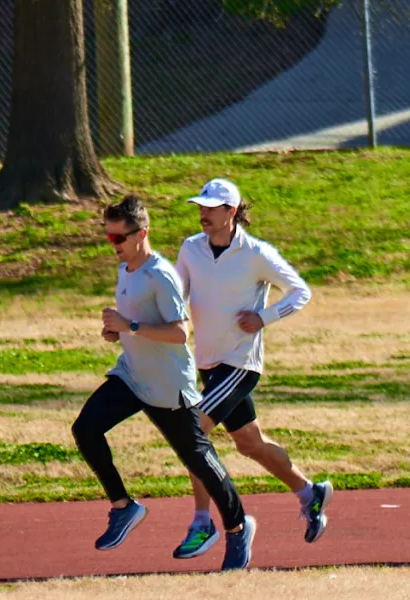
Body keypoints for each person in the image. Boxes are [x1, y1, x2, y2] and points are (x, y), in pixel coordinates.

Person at [71, 195, 255, 571]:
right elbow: (135, 323)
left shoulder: (160, 275)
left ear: (142, 235)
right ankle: (124, 507)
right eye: (108, 238)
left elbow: (179, 332)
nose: (113, 246)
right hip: (133, 376)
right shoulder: (127, 268)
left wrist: (131, 327)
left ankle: (237, 528)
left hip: (170, 386)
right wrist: (118, 333)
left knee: (199, 460)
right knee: (86, 429)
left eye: (118, 239)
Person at [170, 178, 326, 560]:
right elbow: (176, 296)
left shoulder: (256, 253)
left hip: (240, 364)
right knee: (249, 443)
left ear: (232, 211)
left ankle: (204, 522)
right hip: (208, 361)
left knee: (193, 433)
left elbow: (300, 291)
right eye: (200, 206)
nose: (203, 213)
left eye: (211, 207)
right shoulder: (191, 249)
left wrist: (264, 317)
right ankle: (310, 492)